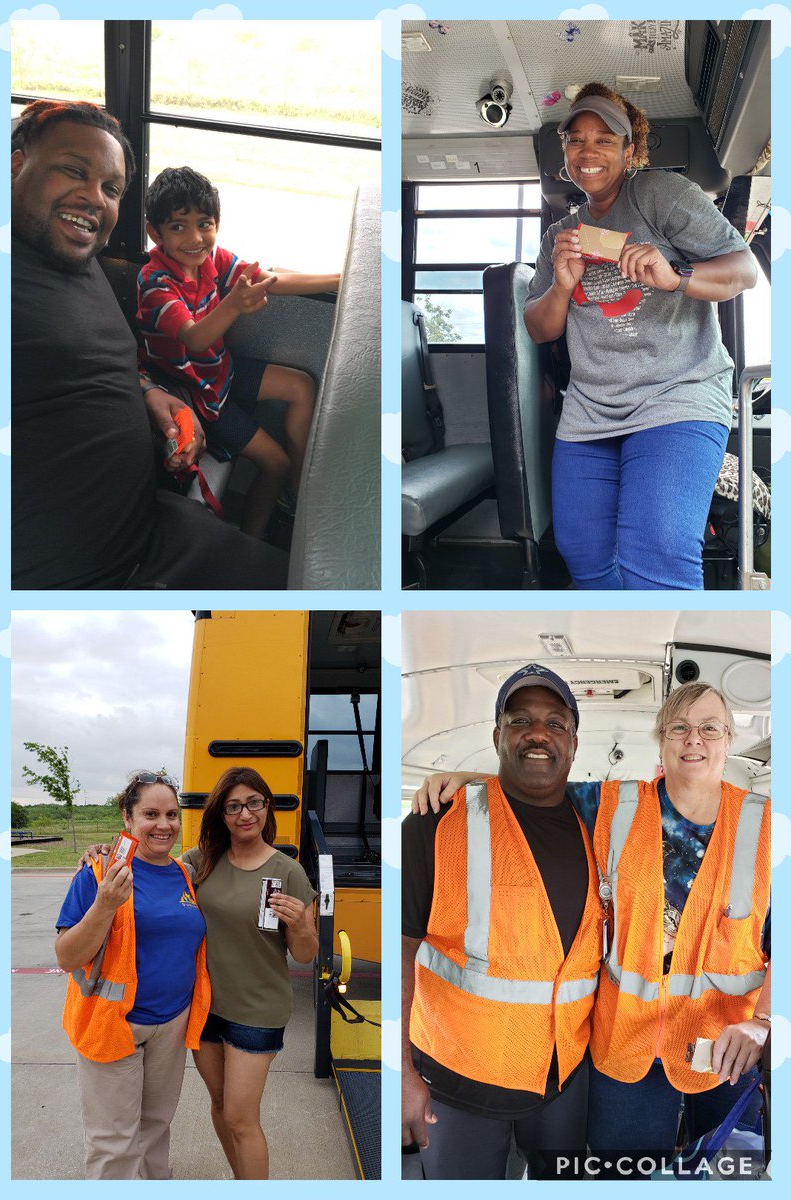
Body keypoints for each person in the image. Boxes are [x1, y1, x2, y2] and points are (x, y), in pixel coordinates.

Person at [414, 680, 771, 1178]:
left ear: (730, 738)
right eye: (679, 728)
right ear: (661, 739)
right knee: (620, 1177)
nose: (694, 740)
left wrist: (766, 1023)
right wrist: (457, 778)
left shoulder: (769, 826)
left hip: (729, 1052)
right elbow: (533, 786)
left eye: (710, 728)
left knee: (736, 1173)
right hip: (625, 1052)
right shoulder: (614, 806)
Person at [11, 99, 288, 589]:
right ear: (15, 164)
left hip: (156, 525)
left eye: (111, 188)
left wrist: (150, 396)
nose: (93, 198)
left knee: (304, 590)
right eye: (73, 171)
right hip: (75, 578)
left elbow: (91, 361)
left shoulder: (76, 256)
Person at [524, 83, 758, 590]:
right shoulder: (559, 236)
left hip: (677, 395)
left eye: (605, 140)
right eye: (576, 139)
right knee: (583, 554)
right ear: (564, 151)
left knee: (657, 549)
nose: (588, 151)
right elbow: (540, 329)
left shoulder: (659, 194)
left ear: (629, 151)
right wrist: (563, 285)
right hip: (591, 409)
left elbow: (743, 270)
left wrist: (677, 276)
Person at [402, 664, 602, 1180]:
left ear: (575, 744)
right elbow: (398, 954)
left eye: (556, 723)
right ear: (497, 736)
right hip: (459, 1082)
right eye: (520, 720)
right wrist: (401, 1073)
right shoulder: (435, 823)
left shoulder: (600, 822)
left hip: (563, 1076)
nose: (538, 733)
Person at [137, 167, 340, 536]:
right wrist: (233, 304)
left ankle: (299, 488)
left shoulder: (212, 260)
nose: (195, 238)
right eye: (179, 227)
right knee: (273, 463)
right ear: (155, 232)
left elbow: (270, 281)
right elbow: (195, 338)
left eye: (205, 224)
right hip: (198, 396)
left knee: (300, 386)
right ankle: (251, 539)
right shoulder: (155, 283)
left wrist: (342, 280)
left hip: (220, 373)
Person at [55, 772, 210, 1179]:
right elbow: (67, 955)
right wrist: (104, 904)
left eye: (172, 814)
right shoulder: (99, 871)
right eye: (151, 814)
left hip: (171, 1024)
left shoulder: (185, 874)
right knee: (114, 1142)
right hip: (114, 1023)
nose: (164, 825)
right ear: (128, 817)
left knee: (156, 1128)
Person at [181, 768, 318, 1179]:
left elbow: (305, 955)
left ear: (267, 807)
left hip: (256, 1011)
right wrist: (105, 850)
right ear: (220, 813)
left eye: (254, 803)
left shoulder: (289, 871)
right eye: (233, 806)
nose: (245, 814)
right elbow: (151, 868)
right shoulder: (200, 860)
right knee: (221, 1106)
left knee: (242, 1117)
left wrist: (302, 926)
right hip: (204, 1004)